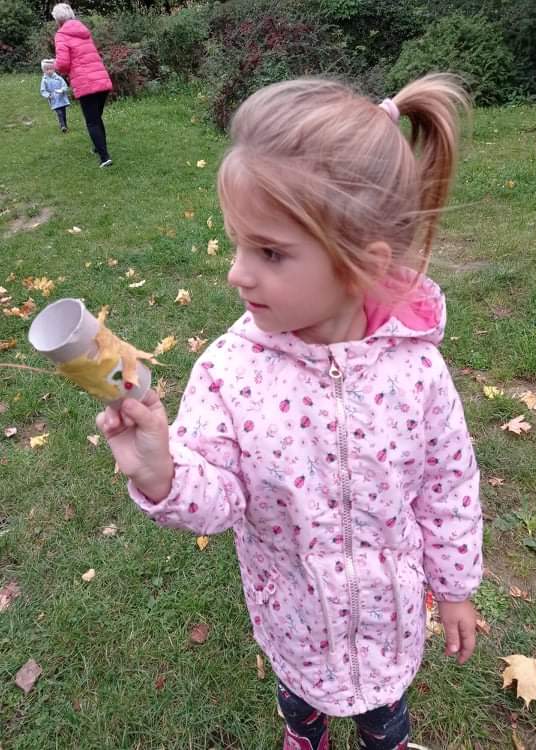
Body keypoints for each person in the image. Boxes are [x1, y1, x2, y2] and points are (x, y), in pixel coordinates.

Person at [97, 74, 483, 750]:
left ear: (361, 265)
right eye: (238, 243)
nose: (237, 273)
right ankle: (304, 733)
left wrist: (453, 588)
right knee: (300, 695)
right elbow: (219, 499)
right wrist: (162, 473)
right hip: (294, 618)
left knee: (384, 717)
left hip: (388, 617)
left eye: (270, 252)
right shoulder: (229, 372)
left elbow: (448, 487)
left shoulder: (416, 371)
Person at [51, 3, 113, 167]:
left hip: (86, 83)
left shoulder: (61, 35)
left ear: (58, 19)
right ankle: (98, 147)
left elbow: (63, 64)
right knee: (96, 118)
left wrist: (54, 64)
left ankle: (105, 158)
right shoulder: (83, 31)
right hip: (102, 80)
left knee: (92, 121)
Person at [39, 58, 70, 132]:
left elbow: (64, 86)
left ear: (54, 69)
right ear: (44, 70)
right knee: (59, 113)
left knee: (63, 112)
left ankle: (65, 125)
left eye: (51, 69)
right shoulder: (44, 80)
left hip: (61, 98)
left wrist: (61, 90)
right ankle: (62, 126)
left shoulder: (58, 78)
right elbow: (43, 90)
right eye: (47, 69)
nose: (49, 71)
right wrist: (48, 95)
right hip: (53, 99)